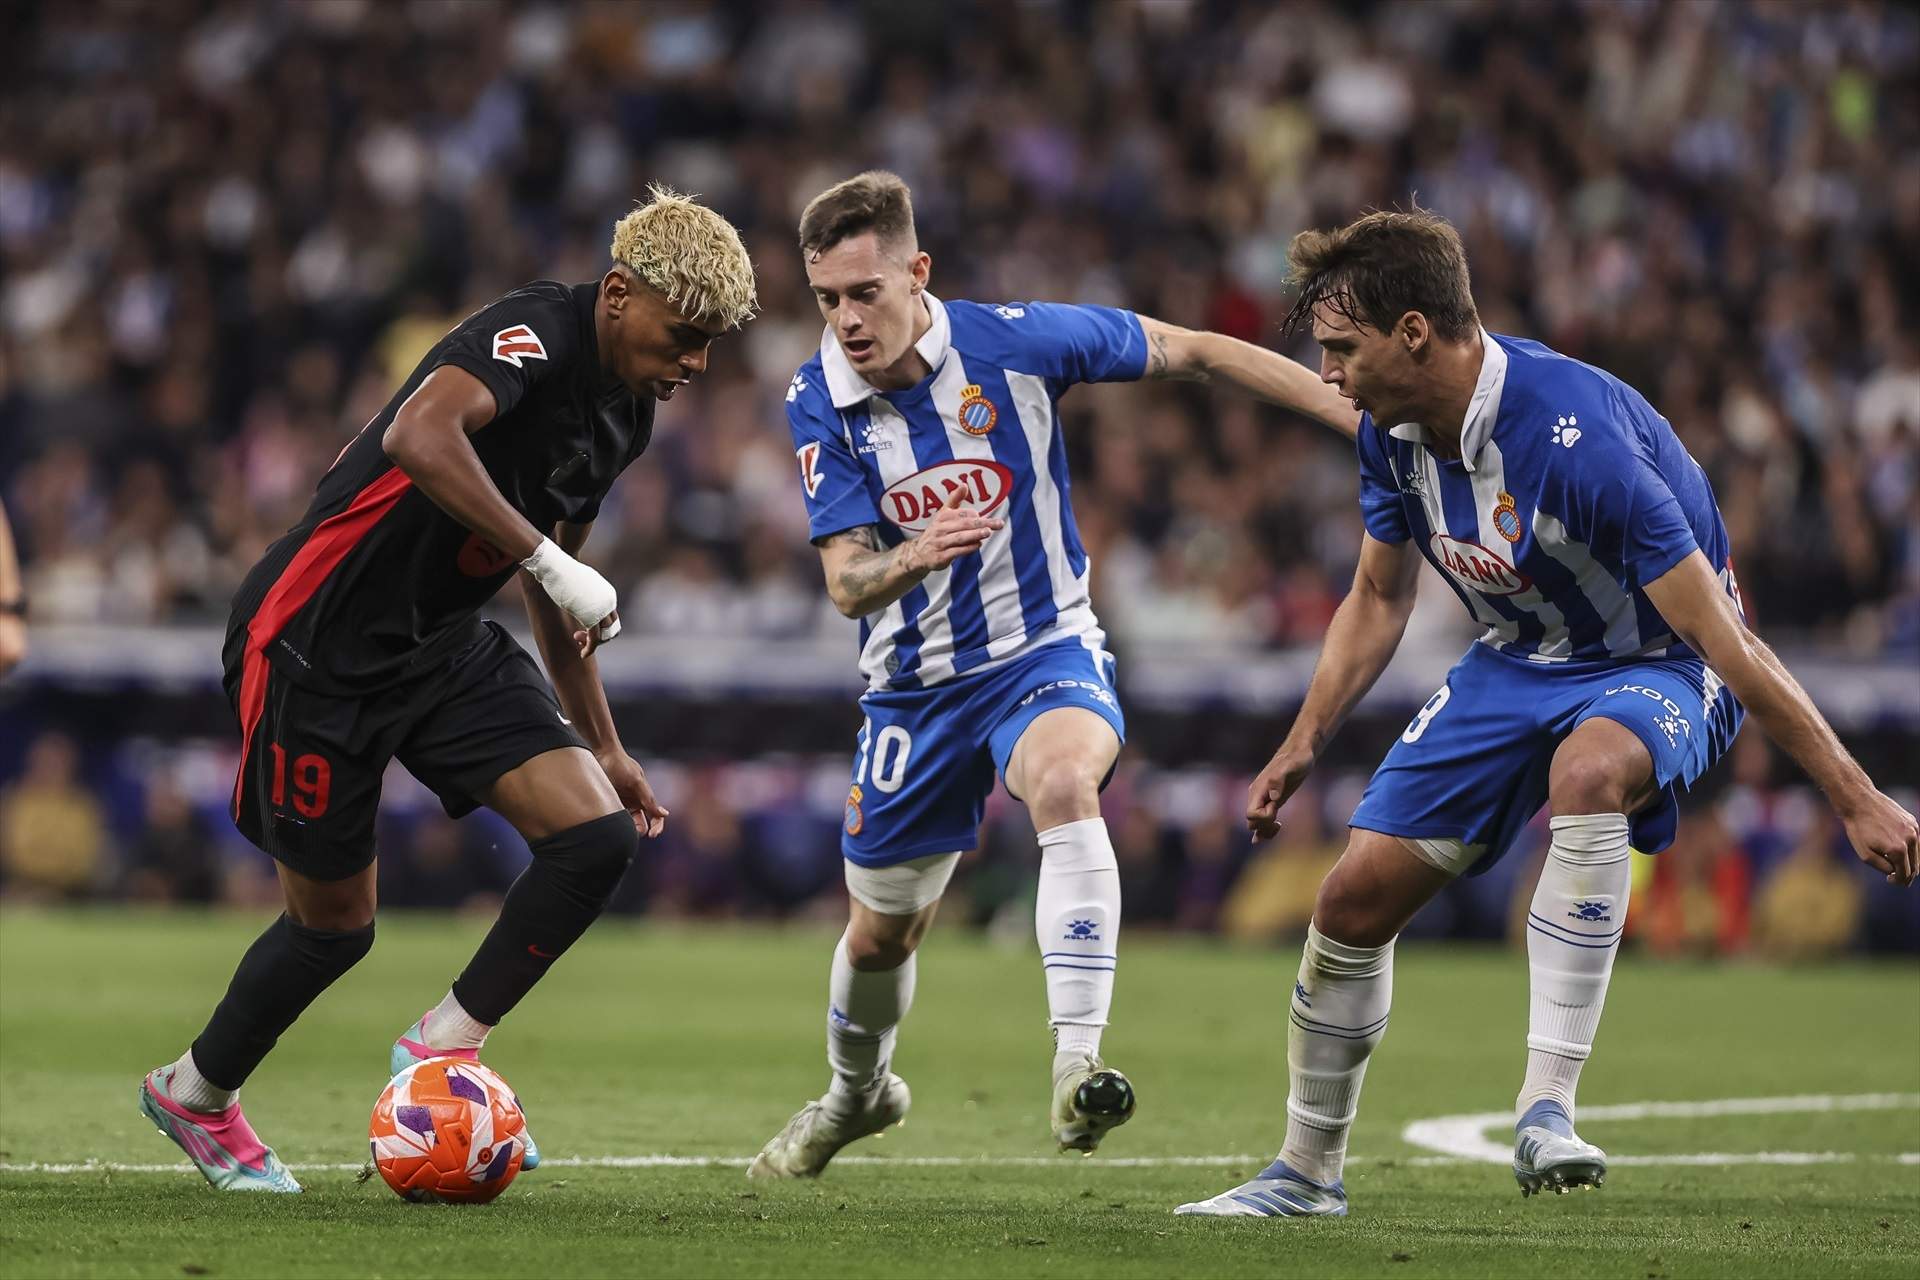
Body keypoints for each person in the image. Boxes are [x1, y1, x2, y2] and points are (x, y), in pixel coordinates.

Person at [1176, 209, 1918, 1218]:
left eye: (1342, 350)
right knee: (1348, 901)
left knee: (1590, 772)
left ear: (1415, 333)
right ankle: (1305, 1172)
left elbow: (1726, 639)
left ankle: (1546, 1106)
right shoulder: (1393, 436)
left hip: (1655, 659)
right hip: (1515, 662)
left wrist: (1856, 793)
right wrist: (1303, 740)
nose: (1330, 373)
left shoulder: (1576, 439)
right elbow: (1380, 595)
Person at [137, 187, 758, 1193]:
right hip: (313, 639)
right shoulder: (534, 332)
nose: (696, 362)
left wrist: (604, 739)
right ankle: (194, 1093)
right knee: (334, 927)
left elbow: (562, 591)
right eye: (684, 334)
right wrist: (547, 562)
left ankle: (442, 1045)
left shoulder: (625, 414)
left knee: (594, 835)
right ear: (616, 296)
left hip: (436, 640)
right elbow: (419, 439)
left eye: (711, 344)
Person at [749, 171, 1359, 1179]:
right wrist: (911, 555)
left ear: (918, 272)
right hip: (912, 687)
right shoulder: (819, 397)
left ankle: (1078, 1063)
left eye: (866, 292)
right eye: (827, 299)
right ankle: (857, 1094)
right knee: (878, 940)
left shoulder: (1016, 341)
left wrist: (1356, 419)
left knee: (1067, 781)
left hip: (1043, 649)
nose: (848, 320)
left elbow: (1199, 350)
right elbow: (847, 581)